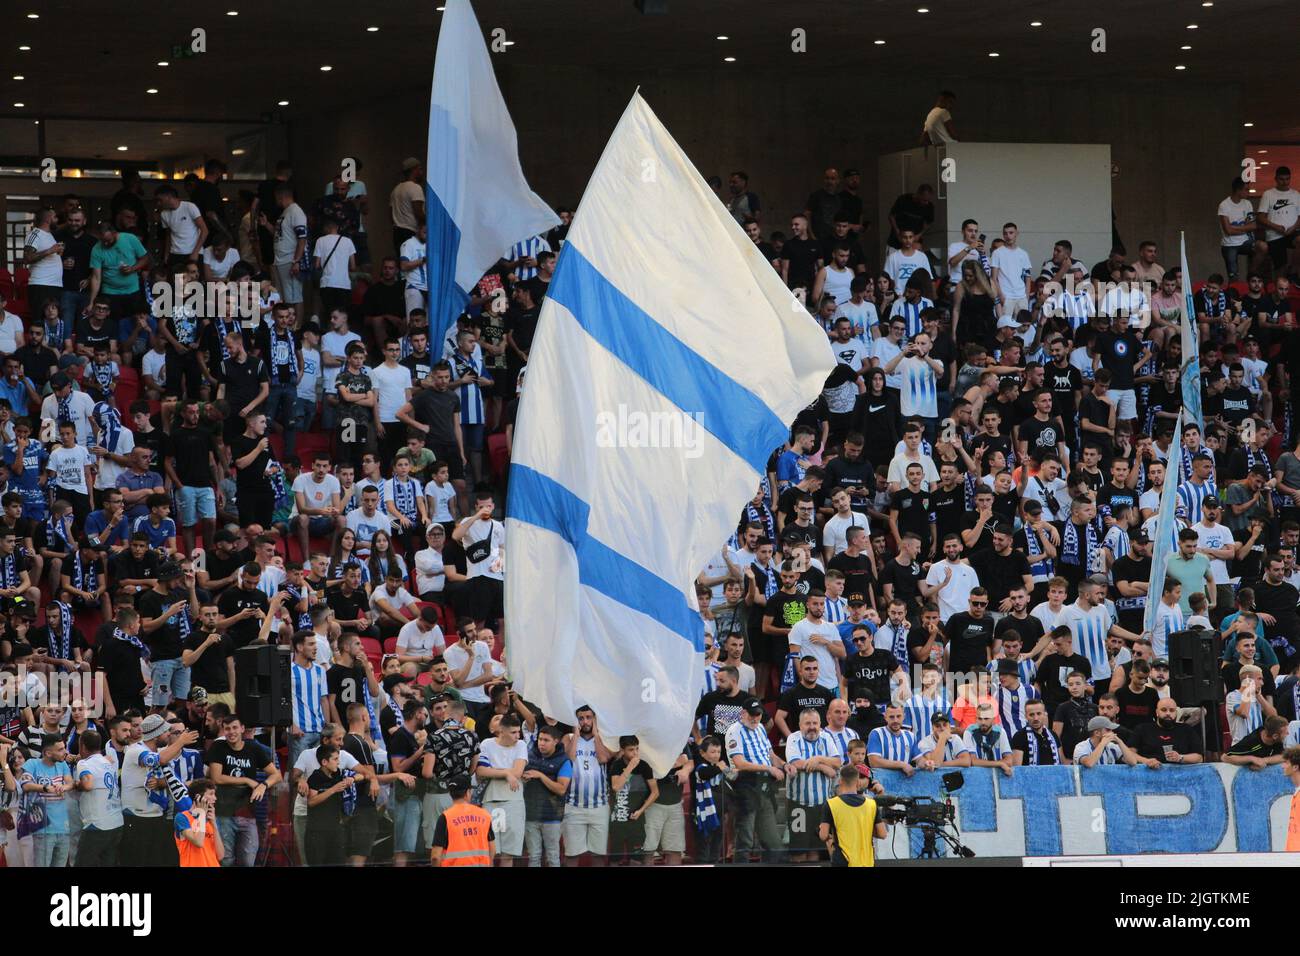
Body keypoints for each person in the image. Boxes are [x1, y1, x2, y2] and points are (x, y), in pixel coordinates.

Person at [819, 764, 888, 867]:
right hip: (867, 862)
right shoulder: (872, 804)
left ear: (840, 781)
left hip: (842, 861)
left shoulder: (831, 804)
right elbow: (882, 834)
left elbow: (823, 835)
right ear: (857, 782)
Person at [430, 775, 495, 867]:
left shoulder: (445, 817)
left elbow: (435, 856)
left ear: (450, 794)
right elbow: (492, 849)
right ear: (468, 793)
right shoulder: (484, 815)